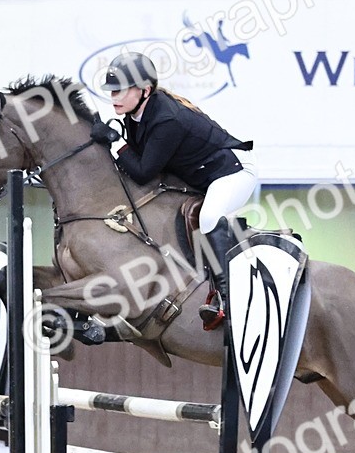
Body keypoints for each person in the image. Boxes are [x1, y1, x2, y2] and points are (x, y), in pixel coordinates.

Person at [96, 52, 256, 327]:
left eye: (120, 90)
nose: (114, 97)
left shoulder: (167, 119)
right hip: (201, 175)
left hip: (235, 172)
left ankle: (228, 300)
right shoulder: (136, 114)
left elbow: (144, 173)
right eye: (111, 91)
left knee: (208, 218)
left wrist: (113, 142)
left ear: (145, 90)